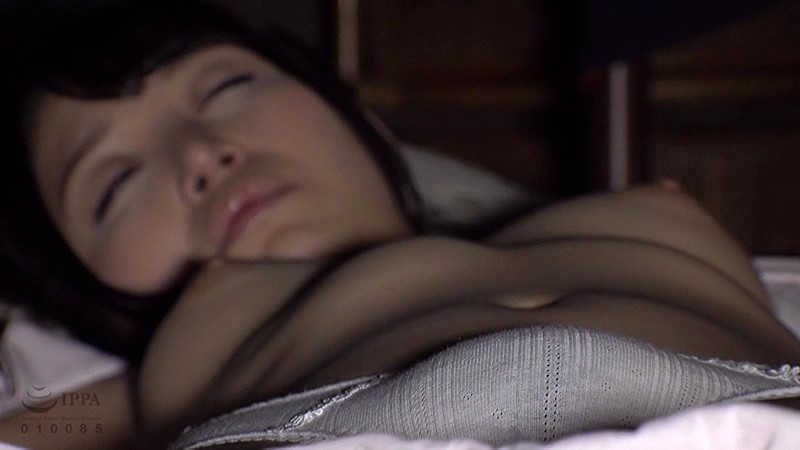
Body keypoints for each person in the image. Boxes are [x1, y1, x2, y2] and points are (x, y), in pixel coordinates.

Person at [1, 2, 799, 448]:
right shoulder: (169, 363)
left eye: (225, 88)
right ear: (97, 298)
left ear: (367, 124)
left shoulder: (640, 211)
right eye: (115, 182)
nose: (201, 154)